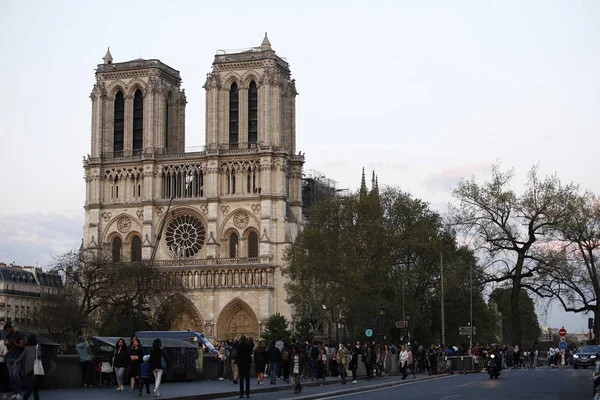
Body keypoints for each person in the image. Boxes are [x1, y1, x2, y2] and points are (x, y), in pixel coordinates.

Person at [13, 334, 42, 400]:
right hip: (35, 369)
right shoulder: (37, 347)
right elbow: (39, 356)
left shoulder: (26, 348)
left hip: (28, 369)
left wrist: (16, 363)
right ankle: (25, 396)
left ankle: (34, 398)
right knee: (33, 386)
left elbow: (21, 357)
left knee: (34, 386)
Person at [4, 323, 25, 399]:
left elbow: (22, 345)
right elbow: (8, 346)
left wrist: (13, 343)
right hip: (9, 357)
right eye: (6, 331)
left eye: (7, 330)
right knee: (11, 376)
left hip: (17, 357)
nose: (7, 332)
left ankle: (19, 393)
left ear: (11, 328)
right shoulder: (8, 336)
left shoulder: (19, 334)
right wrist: (7, 344)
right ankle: (15, 393)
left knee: (15, 375)